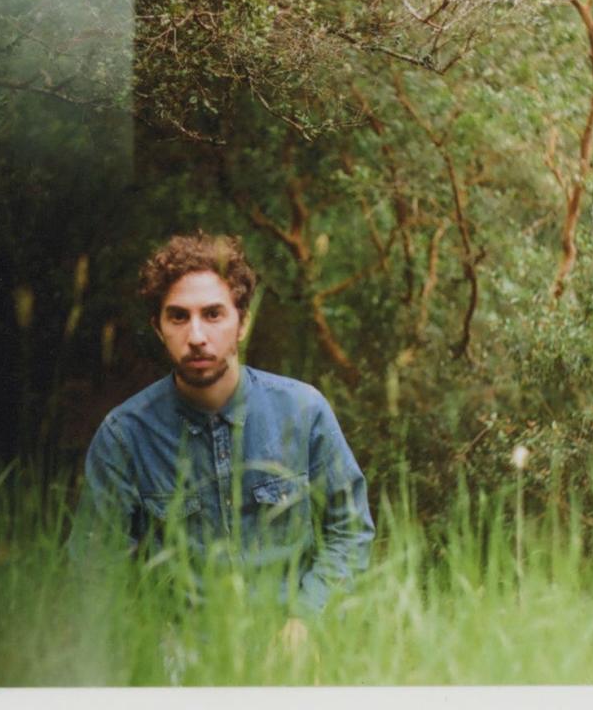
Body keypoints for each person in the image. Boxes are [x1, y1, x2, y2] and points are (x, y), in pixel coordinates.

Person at [70, 231, 374, 640]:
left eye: (213, 314)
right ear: (158, 328)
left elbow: (349, 531)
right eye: (179, 317)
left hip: (291, 647)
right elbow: (96, 571)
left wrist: (306, 619)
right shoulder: (124, 436)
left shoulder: (304, 411)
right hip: (179, 654)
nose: (196, 336)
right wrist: (148, 642)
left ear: (242, 322)